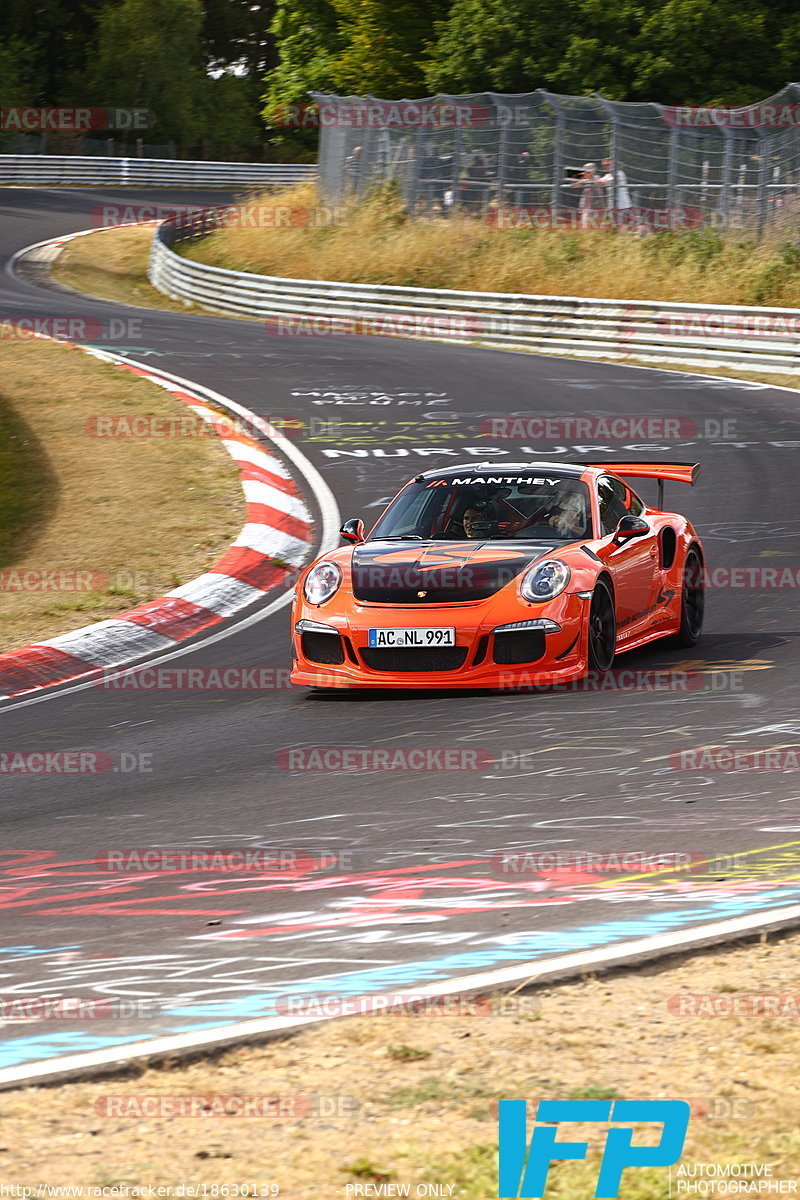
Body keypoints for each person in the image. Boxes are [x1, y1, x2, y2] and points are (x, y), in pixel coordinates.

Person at [598, 157, 633, 227]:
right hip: (612, 207)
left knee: (623, 227)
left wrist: (598, 180)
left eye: (608, 164)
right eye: (604, 165)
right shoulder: (607, 175)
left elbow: (607, 181)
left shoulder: (619, 173)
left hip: (623, 206)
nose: (606, 167)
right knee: (613, 227)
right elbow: (597, 181)